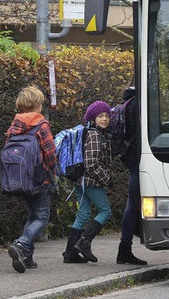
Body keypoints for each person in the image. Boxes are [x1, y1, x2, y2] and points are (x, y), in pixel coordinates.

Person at [6, 86, 58, 273]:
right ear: (37, 105)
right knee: (42, 217)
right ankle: (21, 244)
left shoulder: (14, 125)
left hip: (19, 179)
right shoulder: (41, 125)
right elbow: (50, 152)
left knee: (32, 215)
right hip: (39, 178)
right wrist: (54, 172)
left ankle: (26, 257)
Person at [64, 101, 114, 264]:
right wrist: (107, 179)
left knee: (83, 214)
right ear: (93, 119)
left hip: (81, 181)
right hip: (91, 181)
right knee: (105, 211)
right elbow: (91, 164)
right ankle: (84, 243)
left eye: (106, 115)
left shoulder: (97, 133)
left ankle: (70, 253)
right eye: (100, 116)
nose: (104, 119)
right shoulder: (94, 135)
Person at [116, 87, 147, 265]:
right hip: (139, 158)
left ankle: (125, 249)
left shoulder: (127, 102)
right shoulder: (137, 104)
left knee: (132, 203)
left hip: (132, 158)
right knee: (133, 203)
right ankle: (124, 250)